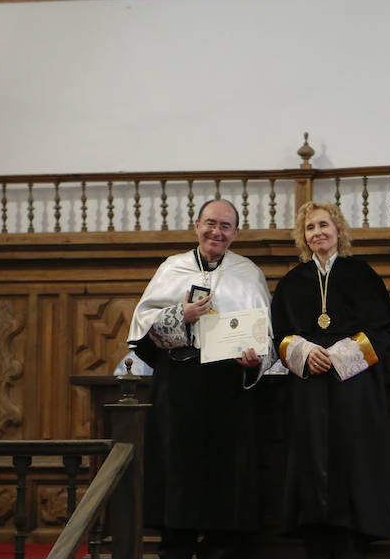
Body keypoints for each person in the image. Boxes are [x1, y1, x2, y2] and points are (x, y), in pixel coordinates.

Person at [126, 199, 274, 559]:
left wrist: (254, 361)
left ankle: (221, 549)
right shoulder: (171, 268)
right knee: (178, 470)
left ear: (236, 232)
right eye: (210, 223)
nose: (216, 232)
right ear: (196, 225)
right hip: (179, 384)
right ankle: (175, 547)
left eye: (225, 226)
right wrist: (182, 314)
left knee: (226, 475)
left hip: (228, 388)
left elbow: (266, 337)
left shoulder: (248, 272)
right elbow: (142, 327)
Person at [270, 200, 390, 559]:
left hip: (355, 389)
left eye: (323, 225)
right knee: (311, 461)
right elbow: (279, 336)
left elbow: (382, 331)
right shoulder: (292, 282)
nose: (318, 233)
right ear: (303, 237)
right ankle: (315, 538)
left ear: (339, 230)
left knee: (352, 460)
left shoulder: (362, 275)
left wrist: (338, 355)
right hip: (308, 388)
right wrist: (303, 351)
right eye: (310, 228)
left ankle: (353, 542)